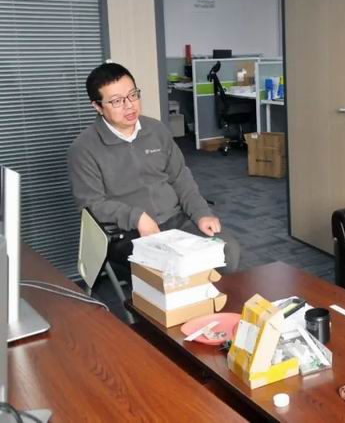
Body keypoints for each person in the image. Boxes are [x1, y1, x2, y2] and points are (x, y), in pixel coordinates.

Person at [67, 62, 240, 273]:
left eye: (133, 95)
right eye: (117, 101)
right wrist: (137, 217)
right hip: (127, 231)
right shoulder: (84, 148)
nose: (129, 105)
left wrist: (201, 213)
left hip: (175, 219)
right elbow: (91, 204)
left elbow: (180, 178)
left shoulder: (156, 130)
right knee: (172, 269)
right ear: (97, 106)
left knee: (226, 253)